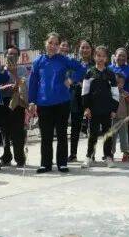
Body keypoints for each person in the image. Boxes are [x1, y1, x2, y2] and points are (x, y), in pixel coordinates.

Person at [28, 33, 86, 173]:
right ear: (45, 43)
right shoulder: (38, 61)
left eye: (56, 44)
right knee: (46, 135)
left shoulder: (64, 59)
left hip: (62, 102)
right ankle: (45, 164)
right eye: (50, 43)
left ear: (58, 46)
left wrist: (71, 80)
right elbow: (33, 83)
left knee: (61, 134)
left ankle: (62, 163)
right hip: (43, 103)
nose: (53, 46)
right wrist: (31, 101)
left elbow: (82, 68)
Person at [80, 46, 119, 168]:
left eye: (103, 56)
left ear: (106, 58)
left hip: (107, 110)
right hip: (93, 110)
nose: (100, 58)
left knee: (108, 134)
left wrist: (114, 109)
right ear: (94, 57)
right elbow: (85, 92)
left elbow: (115, 93)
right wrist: (86, 108)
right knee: (93, 134)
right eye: (98, 56)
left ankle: (108, 157)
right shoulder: (89, 73)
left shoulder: (111, 74)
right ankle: (89, 156)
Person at [0, 45, 28, 168]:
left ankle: (20, 158)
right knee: (5, 132)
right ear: (5, 55)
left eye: (15, 54)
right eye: (10, 54)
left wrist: (14, 73)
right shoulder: (0, 70)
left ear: (18, 57)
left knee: (18, 132)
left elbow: (23, 86)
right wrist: (4, 87)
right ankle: (6, 158)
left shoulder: (22, 70)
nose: (12, 56)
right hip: (3, 102)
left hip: (17, 103)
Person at [68, 40, 94, 162]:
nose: (85, 50)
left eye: (87, 47)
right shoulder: (73, 64)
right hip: (76, 97)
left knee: (92, 126)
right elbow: (69, 79)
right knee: (75, 127)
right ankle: (73, 154)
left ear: (91, 49)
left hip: (91, 98)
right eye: (82, 48)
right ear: (79, 50)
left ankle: (91, 154)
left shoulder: (95, 64)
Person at [109, 47, 129, 157]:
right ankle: (109, 152)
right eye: (119, 55)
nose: (121, 57)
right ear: (115, 56)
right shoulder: (109, 69)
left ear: (126, 58)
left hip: (126, 102)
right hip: (111, 104)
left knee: (127, 130)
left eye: (123, 56)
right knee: (112, 131)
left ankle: (128, 152)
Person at [112, 73, 129, 162]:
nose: (118, 85)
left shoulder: (125, 94)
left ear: (123, 84)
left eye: (121, 83)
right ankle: (110, 153)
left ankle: (125, 153)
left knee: (124, 137)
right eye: (116, 82)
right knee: (112, 137)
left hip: (123, 118)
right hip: (112, 118)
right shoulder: (110, 93)